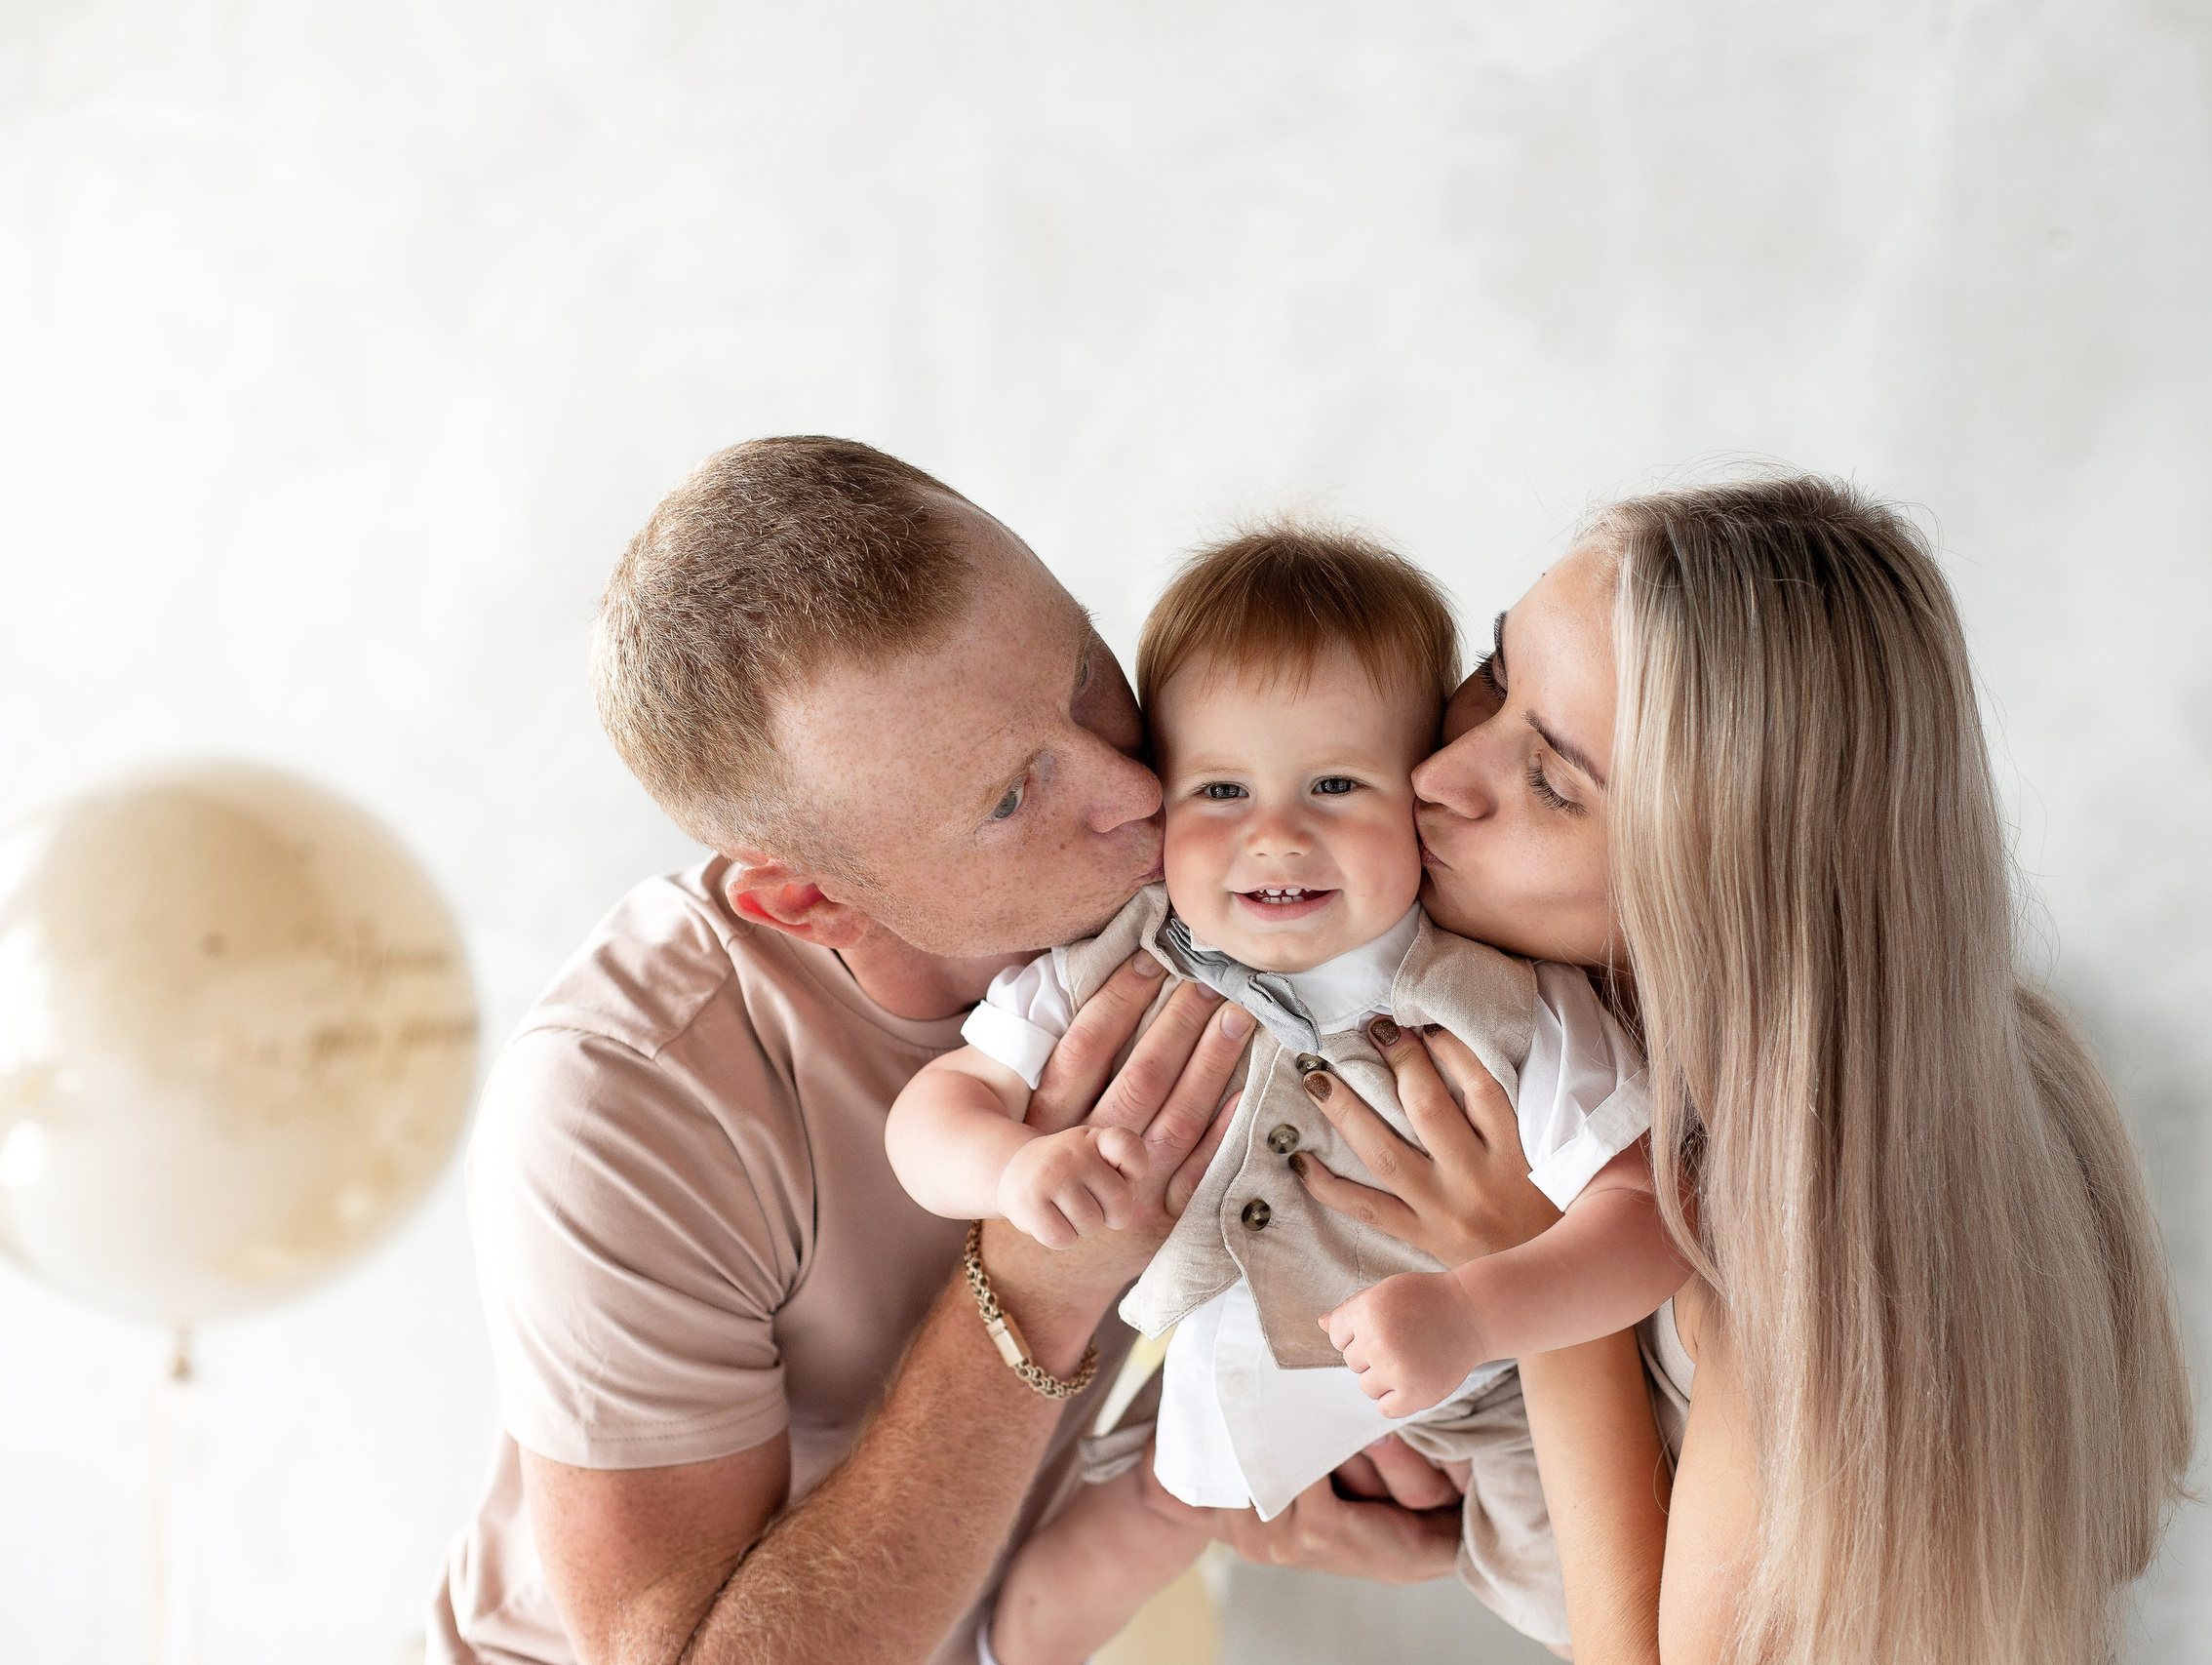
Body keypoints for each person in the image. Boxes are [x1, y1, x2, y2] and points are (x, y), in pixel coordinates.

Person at [427, 438, 1473, 1665]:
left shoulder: (1249, 871)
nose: (1134, 791)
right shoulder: (623, 1098)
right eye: (1007, 799)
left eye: (1084, 673)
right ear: (810, 902)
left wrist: (1242, 1462)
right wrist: (1035, 1286)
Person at [1284, 476, 2197, 1664]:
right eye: (1496, 673)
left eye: (1555, 784)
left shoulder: (1803, 1236)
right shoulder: (1974, 1049)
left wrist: (1524, 1284)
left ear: (1723, 901)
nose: (1440, 774)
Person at [884, 527, 1685, 1659]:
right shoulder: (1123, 952)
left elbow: (1644, 1219)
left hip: (1478, 1391)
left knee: (1586, 1612)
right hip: (1214, 1375)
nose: (1274, 833)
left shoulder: (1505, 1007)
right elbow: (936, 1107)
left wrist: (1476, 1314)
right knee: (1048, 1597)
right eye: (1219, 788)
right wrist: (1010, 1167)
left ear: (1417, 792)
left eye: (1335, 784)